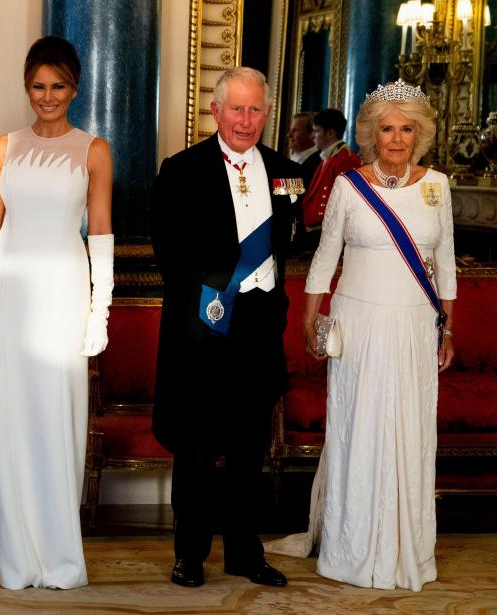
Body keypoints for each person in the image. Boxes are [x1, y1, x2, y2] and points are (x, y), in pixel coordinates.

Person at [268, 80, 456, 592]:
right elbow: (325, 258)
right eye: (387, 129)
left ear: (421, 134)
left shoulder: (437, 185)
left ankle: (404, 547)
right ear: (371, 134)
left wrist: (448, 327)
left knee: (408, 429)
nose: (396, 139)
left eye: (407, 129)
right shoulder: (350, 185)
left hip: (415, 324)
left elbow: (445, 265)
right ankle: (352, 548)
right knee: (360, 427)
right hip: (360, 322)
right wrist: (309, 318)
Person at [0, 35, 113, 590]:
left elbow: (101, 237)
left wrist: (100, 314)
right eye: (38, 87)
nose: (47, 97)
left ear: (75, 88)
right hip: (11, 296)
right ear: (27, 87)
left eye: (58, 87)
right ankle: (17, 551)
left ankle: (57, 554)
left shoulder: (94, 149)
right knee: (10, 421)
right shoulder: (3, 146)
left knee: (57, 421)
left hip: (65, 295)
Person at [151, 66, 301, 589]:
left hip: (260, 331)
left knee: (248, 448)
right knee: (195, 449)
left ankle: (244, 551)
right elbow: (168, 253)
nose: (245, 119)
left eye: (255, 109)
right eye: (235, 108)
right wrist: (216, 295)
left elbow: (290, 246)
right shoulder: (182, 169)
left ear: (266, 112)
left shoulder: (286, 173)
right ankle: (190, 555)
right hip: (204, 326)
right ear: (214, 111)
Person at [300, 108, 361, 249]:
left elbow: (348, 202)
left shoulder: (345, 159)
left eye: (316, 131)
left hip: (326, 233)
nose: (312, 137)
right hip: (315, 231)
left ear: (330, 133)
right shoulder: (328, 157)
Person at [287, 111, 320, 186]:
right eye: (290, 130)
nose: (289, 135)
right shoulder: (294, 157)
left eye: (295, 130)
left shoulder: (317, 162)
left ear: (312, 133)